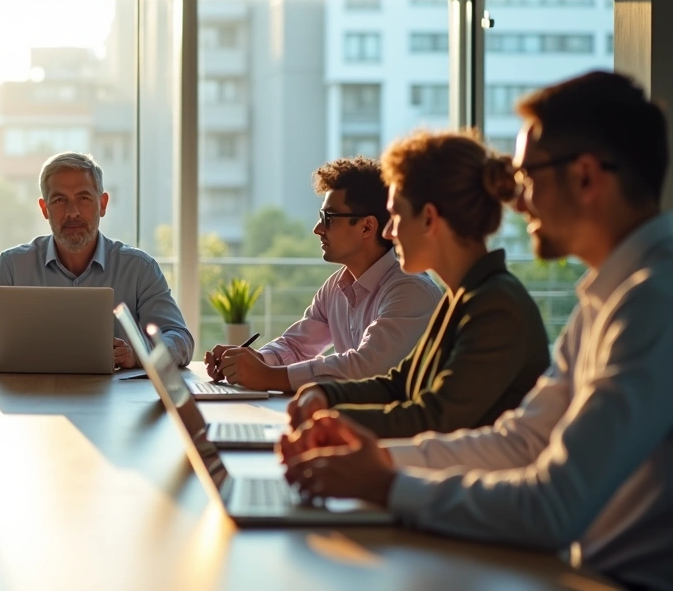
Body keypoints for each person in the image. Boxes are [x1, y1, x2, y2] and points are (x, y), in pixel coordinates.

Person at [281, 71, 673, 589]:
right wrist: (369, 461)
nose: (520, 201)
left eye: (528, 176)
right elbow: (522, 442)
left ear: (585, 178)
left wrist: (387, 482)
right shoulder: (606, 297)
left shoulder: (652, 302)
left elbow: (553, 506)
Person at [286, 130, 550, 439]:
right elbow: (400, 382)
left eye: (395, 215)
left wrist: (330, 421)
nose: (388, 233)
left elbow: (435, 417)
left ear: (428, 219)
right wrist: (325, 397)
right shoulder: (461, 299)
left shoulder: (496, 306)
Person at [204, 157, 442, 392]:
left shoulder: (411, 291)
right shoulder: (336, 286)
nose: (317, 229)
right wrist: (251, 361)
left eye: (328, 218)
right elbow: (296, 346)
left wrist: (268, 377)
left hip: (398, 428)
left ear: (367, 227)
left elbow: (366, 367)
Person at [0, 152, 194, 367]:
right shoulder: (12, 267)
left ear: (102, 204)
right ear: (44, 208)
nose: (72, 212)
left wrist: (140, 354)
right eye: (59, 200)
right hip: (30, 400)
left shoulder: (139, 269)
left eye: (83, 198)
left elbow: (179, 338)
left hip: (119, 403)